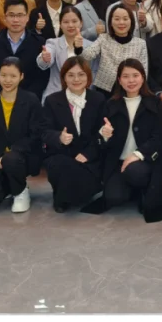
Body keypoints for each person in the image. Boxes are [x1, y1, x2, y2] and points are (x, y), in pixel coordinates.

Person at [99, 59, 162, 222]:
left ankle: (144, 189)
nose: (131, 81)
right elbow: (102, 140)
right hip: (119, 162)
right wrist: (105, 135)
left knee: (135, 172)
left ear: (143, 77)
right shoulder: (111, 104)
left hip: (146, 161)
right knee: (113, 197)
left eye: (135, 75)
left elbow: (159, 137)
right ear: (119, 80)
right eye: (125, 76)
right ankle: (132, 190)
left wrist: (137, 154)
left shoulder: (155, 103)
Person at [41, 57, 107, 212]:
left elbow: (101, 131)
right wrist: (59, 137)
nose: (76, 79)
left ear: (88, 76)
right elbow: (44, 131)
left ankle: (75, 192)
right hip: (62, 155)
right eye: (70, 75)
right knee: (62, 166)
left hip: (89, 157)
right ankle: (61, 199)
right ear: (64, 77)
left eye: (81, 74)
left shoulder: (98, 99)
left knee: (83, 192)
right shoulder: (52, 100)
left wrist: (88, 154)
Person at [0, 58, 43, 212]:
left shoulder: (31, 100)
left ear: (21, 76)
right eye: (3, 75)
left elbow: (36, 134)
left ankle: (21, 191)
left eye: (13, 76)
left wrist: (11, 153)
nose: (7, 80)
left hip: (22, 156)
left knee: (11, 159)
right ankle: (9, 184)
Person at [0, 0, 48, 98]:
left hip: (29, 100)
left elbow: (41, 78)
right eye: (11, 15)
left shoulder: (39, 42)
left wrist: (28, 98)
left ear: (27, 18)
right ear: (5, 18)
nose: (16, 20)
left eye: (20, 15)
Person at [81, 4, 149, 95]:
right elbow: (87, 56)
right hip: (105, 90)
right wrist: (79, 46)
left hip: (130, 90)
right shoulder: (103, 38)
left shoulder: (140, 43)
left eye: (125, 19)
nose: (121, 22)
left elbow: (144, 71)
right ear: (110, 22)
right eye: (117, 19)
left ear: (131, 21)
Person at [37, 6, 94, 101]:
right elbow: (44, 60)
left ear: (81, 23)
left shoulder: (91, 46)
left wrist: (80, 49)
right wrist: (44, 58)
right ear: (60, 24)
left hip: (83, 97)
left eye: (74, 21)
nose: (70, 25)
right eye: (66, 22)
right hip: (56, 95)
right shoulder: (53, 43)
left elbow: (91, 72)